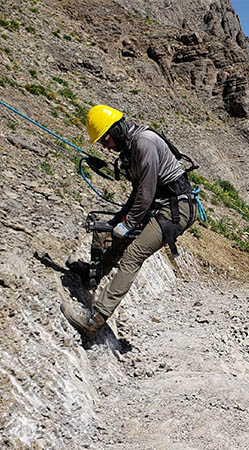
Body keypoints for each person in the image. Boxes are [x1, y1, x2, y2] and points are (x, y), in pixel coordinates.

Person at [61, 105, 196, 337]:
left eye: (106, 140)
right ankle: (93, 274)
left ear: (116, 131)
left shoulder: (144, 143)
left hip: (175, 210)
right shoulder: (132, 147)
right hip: (161, 205)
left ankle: (94, 320)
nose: (106, 147)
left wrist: (129, 223)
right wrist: (118, 221)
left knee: (133, 255)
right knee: (117, 236)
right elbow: (138, 193)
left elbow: (146, 190)